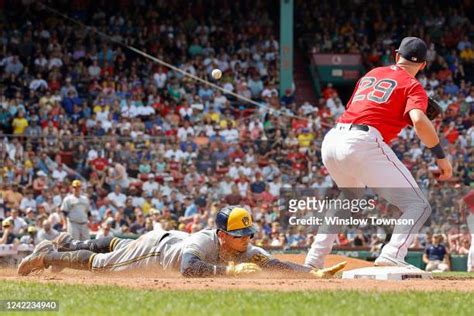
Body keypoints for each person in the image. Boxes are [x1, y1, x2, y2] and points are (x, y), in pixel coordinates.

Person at [305, 37, 453, 269]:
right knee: (419, 205)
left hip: (333, 139)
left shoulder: (372, 74)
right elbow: (418, 121)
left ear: (396, 56)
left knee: (348, 197)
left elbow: (366, 108)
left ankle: (314, 258)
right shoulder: (414, 86)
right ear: (423, 65)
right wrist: (441, 156)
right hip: (361, 142)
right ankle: (393, 252)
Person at [17, 206, 346, 278]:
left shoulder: (244, 248)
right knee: (103, 266)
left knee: (118, 246)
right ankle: (49, 255)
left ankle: (69, 246)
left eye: (248, 234)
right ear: (221, 235)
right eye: (239, 235)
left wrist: (310, 273)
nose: (246, 240)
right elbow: (189, 268)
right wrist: (229, 274)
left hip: (169, 239)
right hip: (156, 251)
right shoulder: (204, 244)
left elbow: (272, 263)